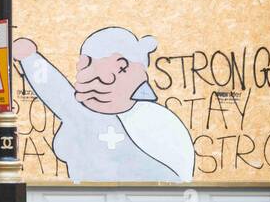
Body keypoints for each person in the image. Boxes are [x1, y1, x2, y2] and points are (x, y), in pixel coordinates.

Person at [12, 27, 195, 182]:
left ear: (122, 66)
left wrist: (30, 59)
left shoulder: (153, 119)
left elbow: (60, 95)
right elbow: (58, 94)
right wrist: (30, 59)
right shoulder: (86, 112)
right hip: (92, 200)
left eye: (90, 63)